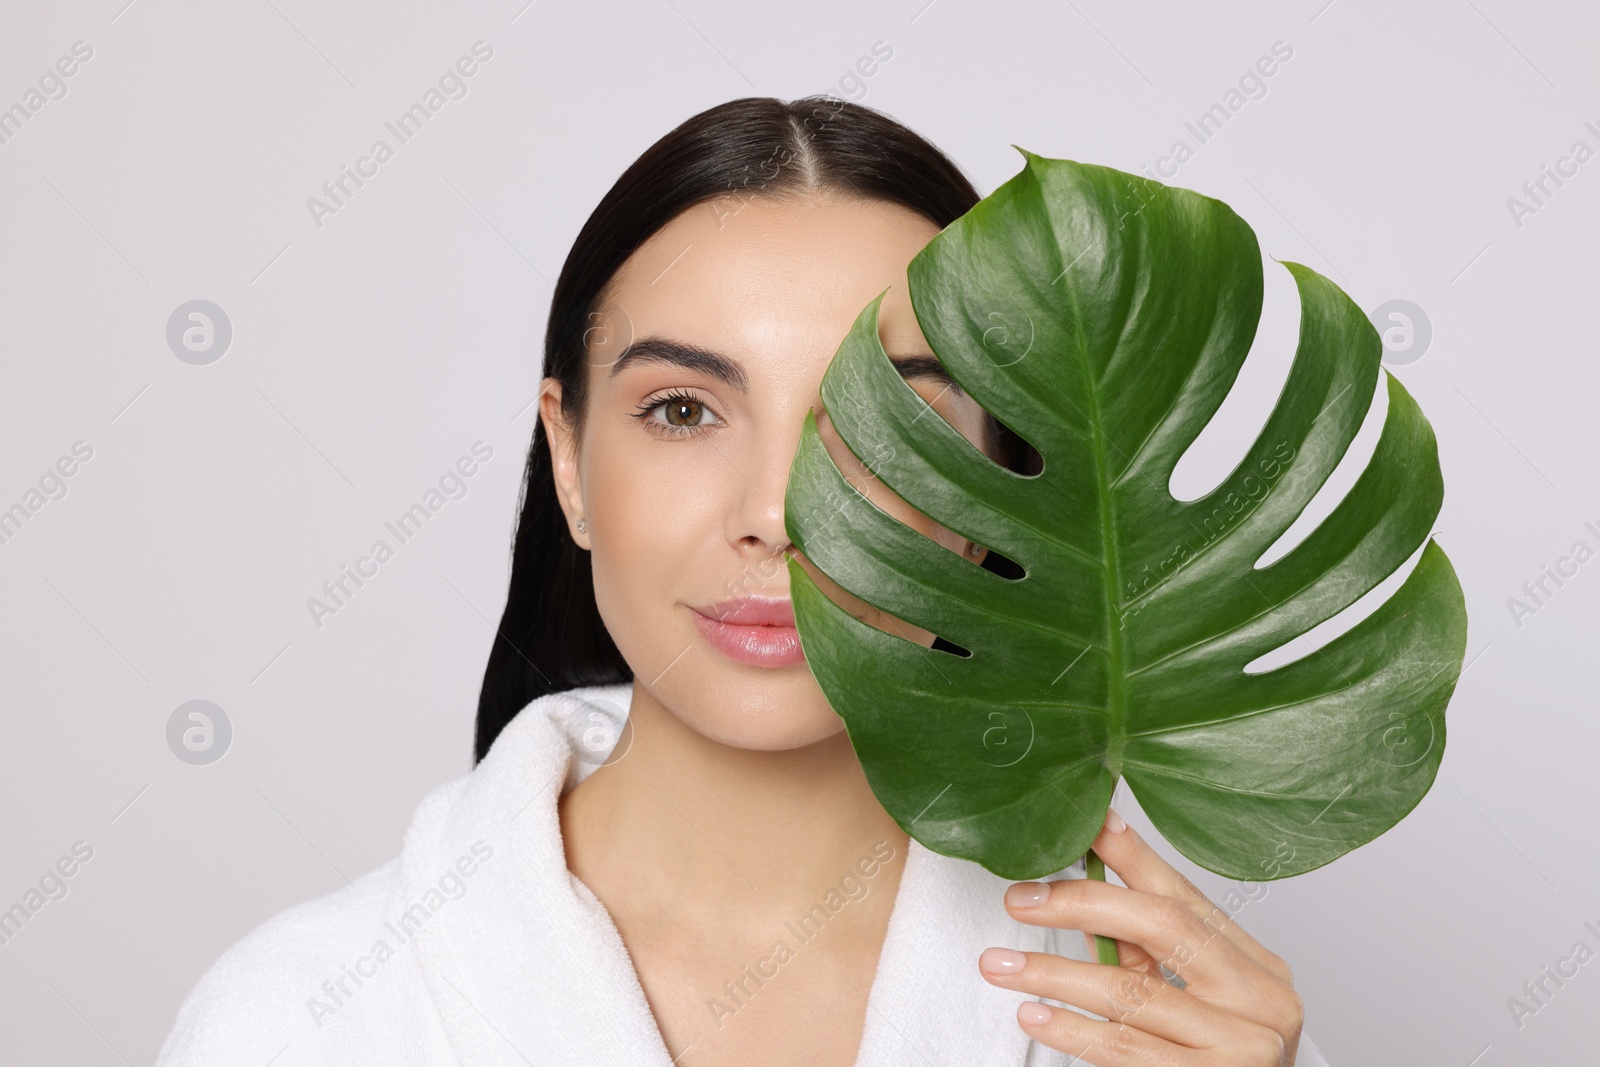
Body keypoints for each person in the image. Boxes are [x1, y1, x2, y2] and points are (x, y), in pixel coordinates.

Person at [155, 95, 1329, 1066]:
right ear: (567, 458)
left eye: (889, 427)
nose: (774, 513)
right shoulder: (301, 1019)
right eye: (682, 410)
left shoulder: (1163, 1017)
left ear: (998, 486)